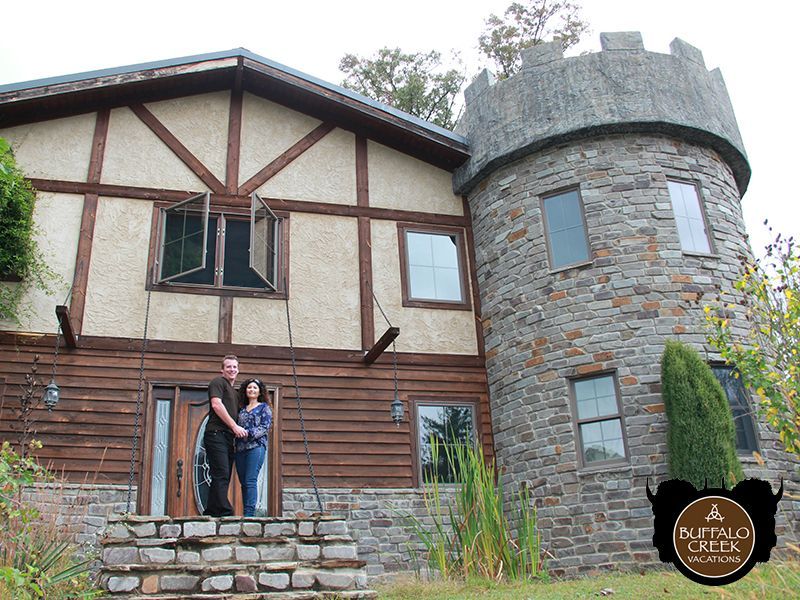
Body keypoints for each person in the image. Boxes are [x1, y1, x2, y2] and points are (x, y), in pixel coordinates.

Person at [203, 354, 247, 517]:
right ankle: (224, 510)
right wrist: (234, 426)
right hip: (216, 434)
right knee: (221, 472)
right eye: (228, 366)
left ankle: (212, 510)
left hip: (228, 438)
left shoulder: (235, 393)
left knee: (223, 474)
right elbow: (216, 404)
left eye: (235, 367)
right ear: (222, 370)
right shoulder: (218, 382)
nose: (232, 369)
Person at [234, 378, 273, 517]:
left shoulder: (264, 408)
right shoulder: (242, 409)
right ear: (245, 390)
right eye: (249, 388)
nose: (252, 390)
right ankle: (246, 511)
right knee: (243, 482)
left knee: (251, 479)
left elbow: (264, 427)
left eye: (255, 388)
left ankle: (249, 514)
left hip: (256, 447)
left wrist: (248, 433)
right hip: (240, 449)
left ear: (259, 391)